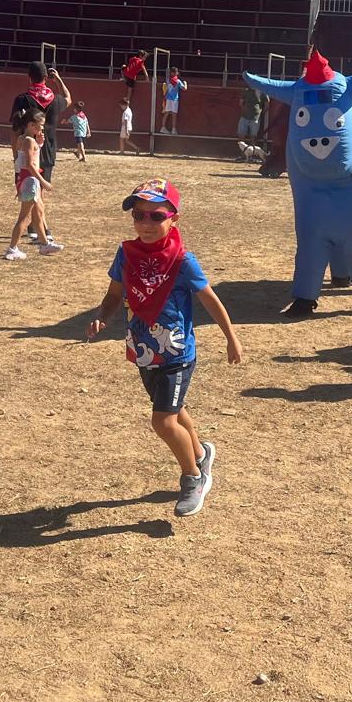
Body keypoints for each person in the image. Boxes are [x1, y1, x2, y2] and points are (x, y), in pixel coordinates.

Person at [85, 179, 245, 517]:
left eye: (156, 216)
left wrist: (231, 337)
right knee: (174, 409)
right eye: (138, 215)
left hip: (176, 353)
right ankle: (201, 452)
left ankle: (193, 477)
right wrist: (103, 316)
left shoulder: (183, 260)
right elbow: (115, 294)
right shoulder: (126, 254)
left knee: (163, 422)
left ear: (174, 218)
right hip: (144, 350)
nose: (145, 224)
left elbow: (210, 299)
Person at [4, 111, 62, 261]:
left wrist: (40, 144)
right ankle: (12, 248)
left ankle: (44, 244)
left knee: (38, 214)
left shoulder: (23, 139)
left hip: (26, 179)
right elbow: (30, 164)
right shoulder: (29, 141)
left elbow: (23, 158)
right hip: (30, 181)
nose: (42, 128)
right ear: (31, 125)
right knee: (24, 216)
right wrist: (44, 181)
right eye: (40, 125)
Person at [9, 59, 71, 183]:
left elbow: (15, 131)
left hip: (26, 151)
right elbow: (68, 98)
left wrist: (16, 155)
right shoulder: (55, 100)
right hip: (47, 153)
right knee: (39, 192)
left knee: (26, 193)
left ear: (29, 77)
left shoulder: (22, 100)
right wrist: (58, 79)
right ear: (46, 78)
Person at [238, 86, 264, 157]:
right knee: (241, 136)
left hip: (255, 117)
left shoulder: (261, 91)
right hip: (246, 116)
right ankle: (243, 155)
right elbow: (241, 102)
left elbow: (267, 103)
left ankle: (252, 155)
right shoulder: (246, 91)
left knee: (253, 137)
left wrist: (260, 113)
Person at [161, 69, 187, 135]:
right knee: (174, 114)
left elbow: (165, 88)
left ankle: (163, 127)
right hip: (174, 100)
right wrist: (185, 83)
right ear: (176, 73)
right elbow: (184, 88)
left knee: (166, 113)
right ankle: (173, 129)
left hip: (168, 99)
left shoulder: (168, 80)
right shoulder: (178, 81)